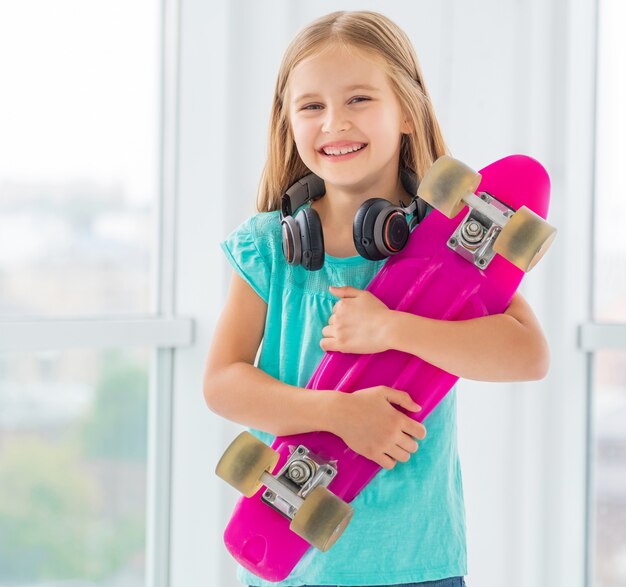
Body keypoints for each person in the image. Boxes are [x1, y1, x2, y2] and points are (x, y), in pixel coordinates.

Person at [204, 10, 550, 587]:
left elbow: (528, 355)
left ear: (408, 113)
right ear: (288, 122)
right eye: (311, 106)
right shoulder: (268, 248)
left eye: (359, 99)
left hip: (420, 563)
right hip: (293, 568)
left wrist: (392, 329)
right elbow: (222, 383)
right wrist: (342, 416)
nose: (334, 122)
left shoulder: (451, 250)